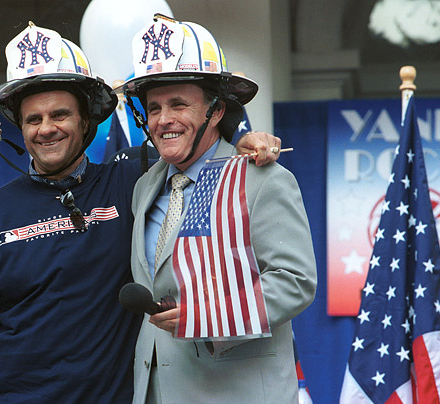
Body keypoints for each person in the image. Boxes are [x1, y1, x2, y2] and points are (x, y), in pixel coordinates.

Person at [0, 22, 281, 404]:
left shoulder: (137, 183)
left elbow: (195, 147)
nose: (46, 129)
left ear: (87, 121)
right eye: (33, 119)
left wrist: (242, 141)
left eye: (59, 115)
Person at [120, 15, 317, 404]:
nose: (164, 120)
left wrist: (206, 315)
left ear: (216, 111)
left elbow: (296, 281)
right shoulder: (144, 186)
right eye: (155, 107)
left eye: (179, 104)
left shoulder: (261, 177)